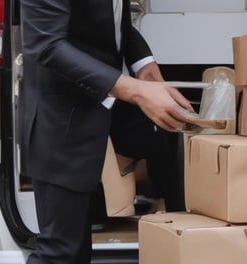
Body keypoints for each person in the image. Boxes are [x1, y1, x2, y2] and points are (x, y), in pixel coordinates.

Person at [19, 0, 194, 262]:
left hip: (98, 109)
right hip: (59, 119)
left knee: (77, 251)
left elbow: (117, 25)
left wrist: (145, 66)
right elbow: (47, 46)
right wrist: (136, 90)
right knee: (61, 252)